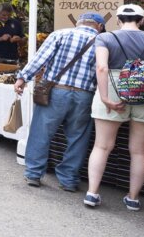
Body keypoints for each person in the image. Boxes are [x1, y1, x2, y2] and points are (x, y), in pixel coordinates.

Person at [84, 4, 144, 211]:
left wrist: (105, 97)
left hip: (114, 86)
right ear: (142, 20)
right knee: (140, 151)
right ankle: (132, 198)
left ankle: (92, 193)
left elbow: (102, 67)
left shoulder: (105, 38)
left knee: (102, 146)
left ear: (118, 20)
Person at [13, 13, 105, 191]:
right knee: (78, 137)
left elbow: (40, 59)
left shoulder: (60, 34)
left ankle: (33, 173)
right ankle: (69, 179)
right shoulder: (102, 41)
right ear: (99, 26)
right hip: (84, 94)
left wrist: (22, 78)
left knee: (42, 132)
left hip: (56, 91)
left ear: (78, 23)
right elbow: (103, 70)